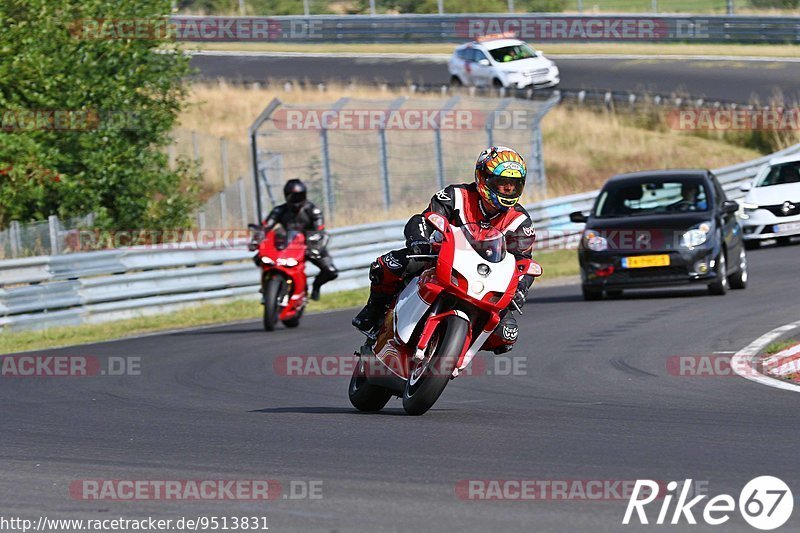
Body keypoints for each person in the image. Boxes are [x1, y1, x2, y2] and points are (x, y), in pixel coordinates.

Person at [352, 146, 537, 354]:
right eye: (502, 184)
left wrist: (521, 288)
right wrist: (419, 241)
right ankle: (373, 312)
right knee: (385, 265)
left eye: (513, 186)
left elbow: (523, 260)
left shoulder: (520, 221)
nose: (507, 190)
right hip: (439, 258)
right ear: (483, 178)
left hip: (484, 278)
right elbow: (424, 219)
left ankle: (455, 347)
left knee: (506, 335)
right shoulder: (456, 195)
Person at [253, 179, 338, 301]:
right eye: (293, 196)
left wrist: (315, 245)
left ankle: (316, 286)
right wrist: (257, 239)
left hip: (310, 245)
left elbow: (320, 229)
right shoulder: (279, 210)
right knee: (259, 258)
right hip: (288, 246)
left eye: (300, 196)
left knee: (331, 271)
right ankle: (266, 288)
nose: (296, 200)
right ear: (286, 196)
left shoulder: (313, 211)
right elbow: (266, 226)